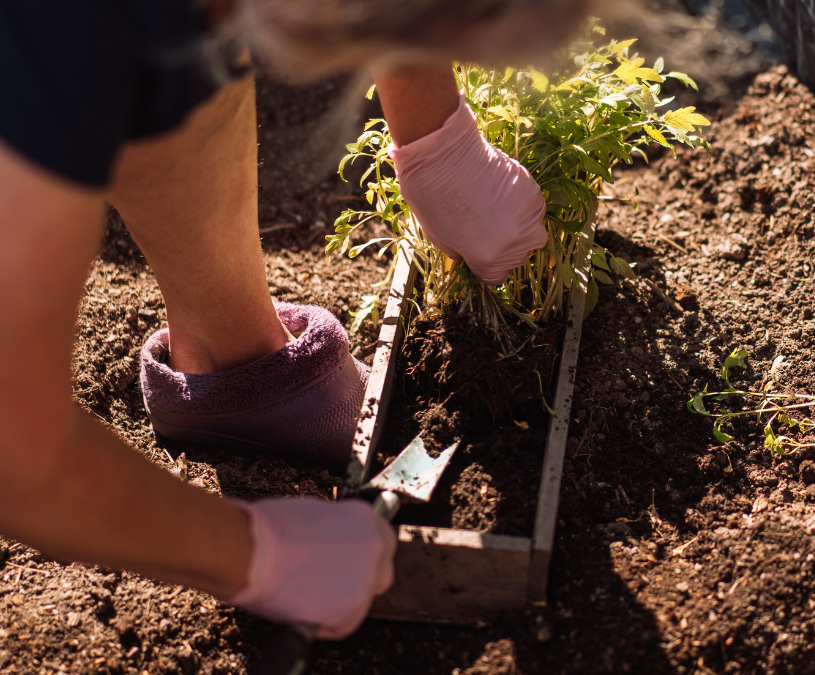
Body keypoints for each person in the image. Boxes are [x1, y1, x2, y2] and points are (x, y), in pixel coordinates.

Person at [0, 0, 586, 640]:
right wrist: (255, 558)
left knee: (196, 46)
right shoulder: (47, 62)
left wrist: (438, 135)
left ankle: (229, 355)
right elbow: (17, 452)